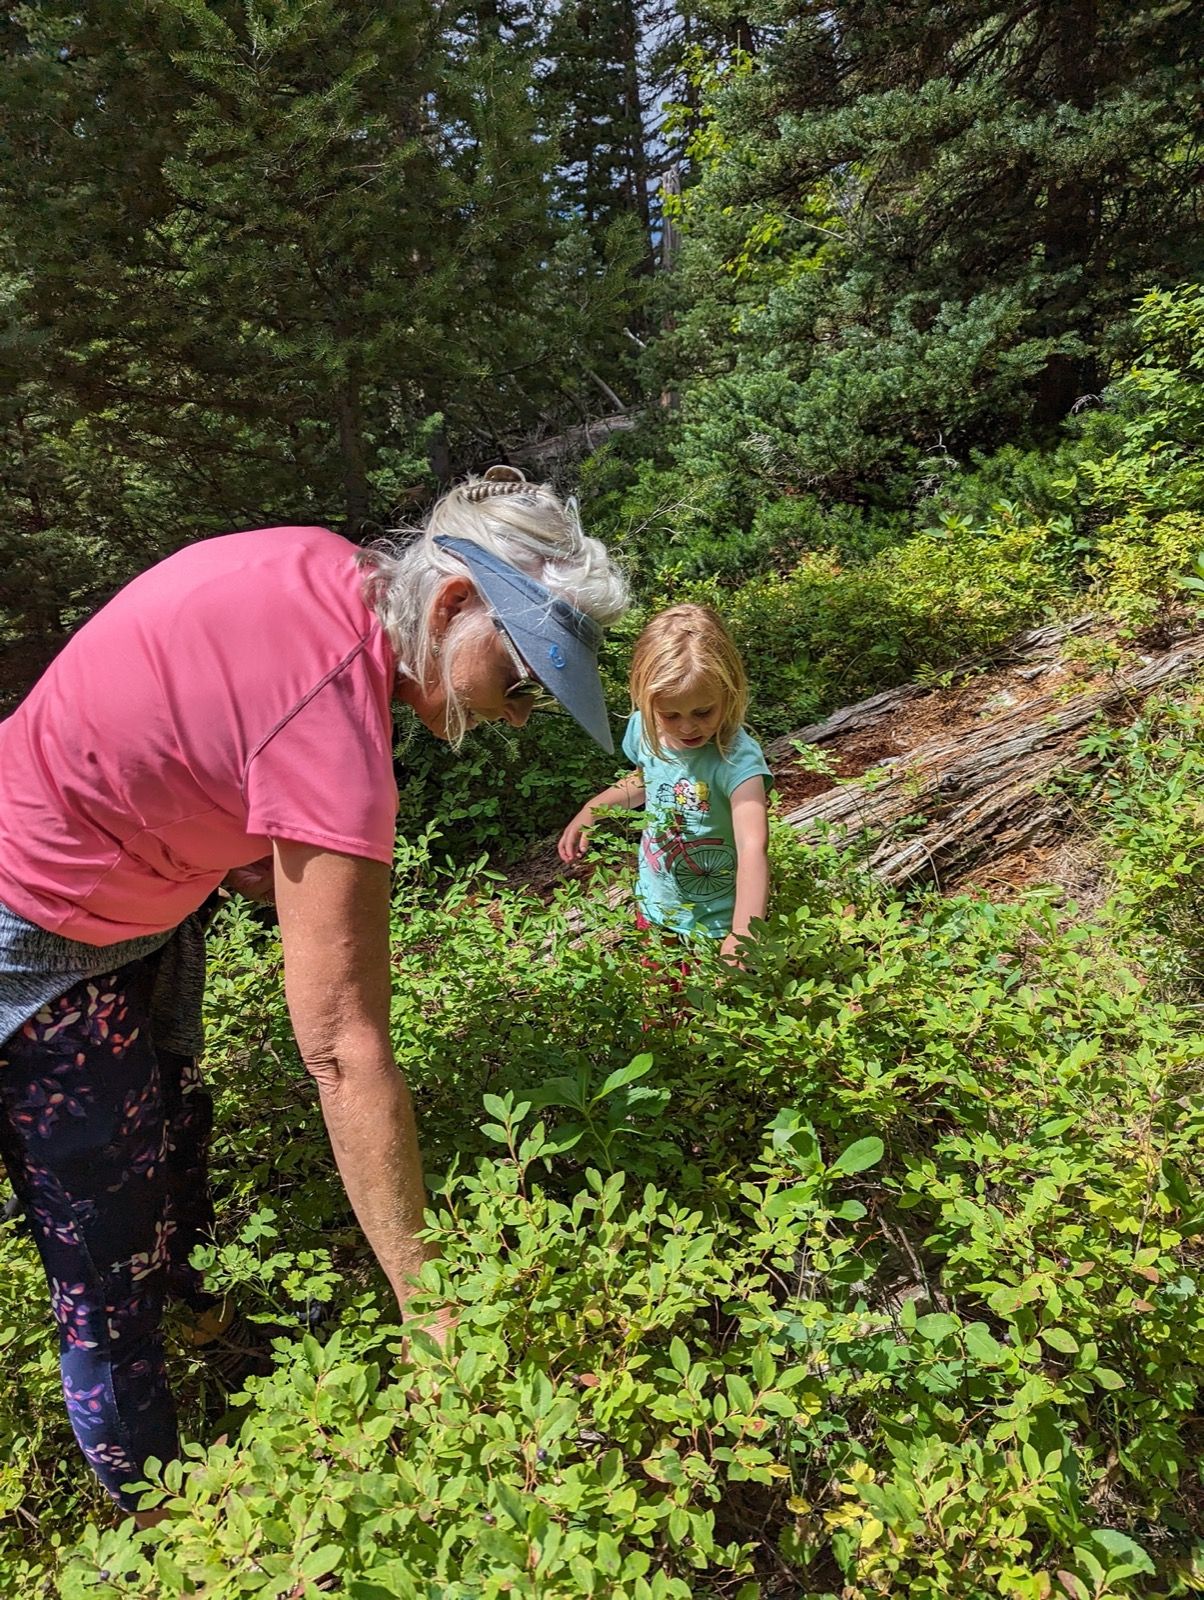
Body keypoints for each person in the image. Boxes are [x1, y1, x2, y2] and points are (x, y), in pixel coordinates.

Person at [0, 465, 627, 1520]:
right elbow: (341, 1048)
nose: (517, 718)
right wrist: (431, 1310)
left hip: (124, 893)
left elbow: (194, 729)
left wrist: (238, 850)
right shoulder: (331, 718)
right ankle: (163, 1530)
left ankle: (206, 1319)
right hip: (35, 915)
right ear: (452, 604)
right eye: (520, 684)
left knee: (168, 1136)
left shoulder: (319, 567)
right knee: (101, 1249)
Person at [558, 603, 771, 964]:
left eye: (703, 712)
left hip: (718, 920)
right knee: (659, 1004)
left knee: (715, 1012)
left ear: (729, 693)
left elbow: (753, 845)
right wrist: (592, 809)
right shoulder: (644, 729)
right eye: (670, 715)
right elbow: (645, 782)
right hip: (658, 905)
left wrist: (743, 934)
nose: (687, 727)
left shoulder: (737, 761)